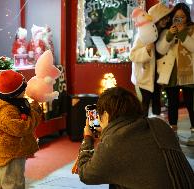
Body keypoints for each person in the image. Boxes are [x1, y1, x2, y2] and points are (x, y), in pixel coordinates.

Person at [76, 87, 194, 189]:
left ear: (106, 115)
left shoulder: (112, 144)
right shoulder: (160, 125)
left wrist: (88, 138)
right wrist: (107, 133)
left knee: (114, 180)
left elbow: (85, 174)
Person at [0, 70, 42, 189]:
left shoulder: (9, 103)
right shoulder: (6, 111)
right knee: (13, 183)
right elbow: (22, 128)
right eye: (23, 89)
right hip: (10, 153)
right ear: (15, 93)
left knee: (4, 182)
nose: (25, 92)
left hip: (9, 151)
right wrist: (34, 113)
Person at [156, 2, 194, 145]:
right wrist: (169, 36)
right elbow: (160, 50)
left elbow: (193, 47)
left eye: (182, 17)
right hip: (171, 74)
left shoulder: (192, 29)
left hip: (189, 74)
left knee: (191, 103)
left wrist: (183, 33)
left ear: (187, 17)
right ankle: (173, 134)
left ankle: (193, 133)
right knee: (172, 103)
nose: (178, 20)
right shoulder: (167, 31)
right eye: (176, 17)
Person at [130, 3, 172, 117]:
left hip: (157, 77)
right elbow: (132, 55)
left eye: (168, 17)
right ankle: (143, 130)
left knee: (156, 106)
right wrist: (146, 50)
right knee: (144, 107)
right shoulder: (142, 34)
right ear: (156, 18)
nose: (166, 20)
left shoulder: (162, 33)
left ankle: (155, 129)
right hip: (144, 78)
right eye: (164, 17)